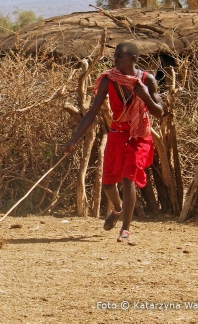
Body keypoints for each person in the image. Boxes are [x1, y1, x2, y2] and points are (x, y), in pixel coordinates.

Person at [63, 41, 163, 244]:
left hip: (139, 134)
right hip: (118, 132)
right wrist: (74, 139)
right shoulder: (110, 81)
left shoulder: (147, 80)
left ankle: (125, 229)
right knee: (109, 183)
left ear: (133, 59)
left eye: (119, 56)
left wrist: (145, 96)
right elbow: (91, 112)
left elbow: (160, 112)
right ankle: (117, 208)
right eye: (114, 56)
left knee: (129, 178)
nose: (114, 59)